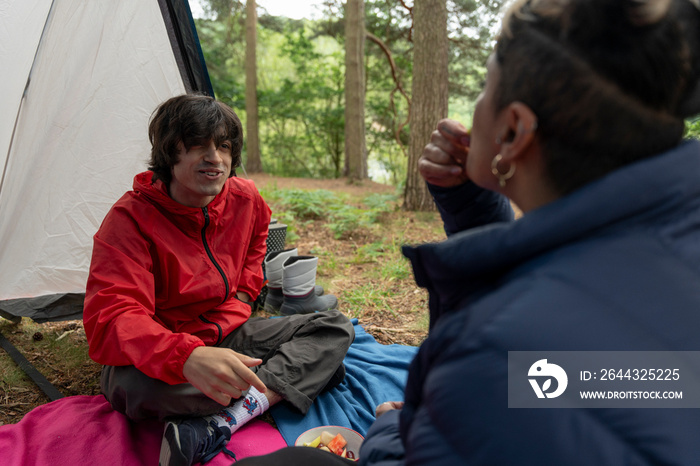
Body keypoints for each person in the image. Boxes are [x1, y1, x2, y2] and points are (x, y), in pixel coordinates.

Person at [235, 0, 700, 464]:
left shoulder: (490, 351)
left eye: (484, 89)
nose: (476, 107)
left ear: (514, 129)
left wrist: (398, 428)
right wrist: (474, 209)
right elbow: (629, 381)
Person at [82, 94, 355, 466]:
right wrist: (186, 356)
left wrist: (243, 296)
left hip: (229, 332)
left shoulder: (246, 198)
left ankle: (222, 420)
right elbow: (112, 318)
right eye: (198, 145)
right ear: (168, 153)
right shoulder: (129, 221)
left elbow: (258, 245)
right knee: (129, 387)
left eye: (224, 146)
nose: (215, 158)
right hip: (162, 347)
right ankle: (293, 381)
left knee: (333, 326)